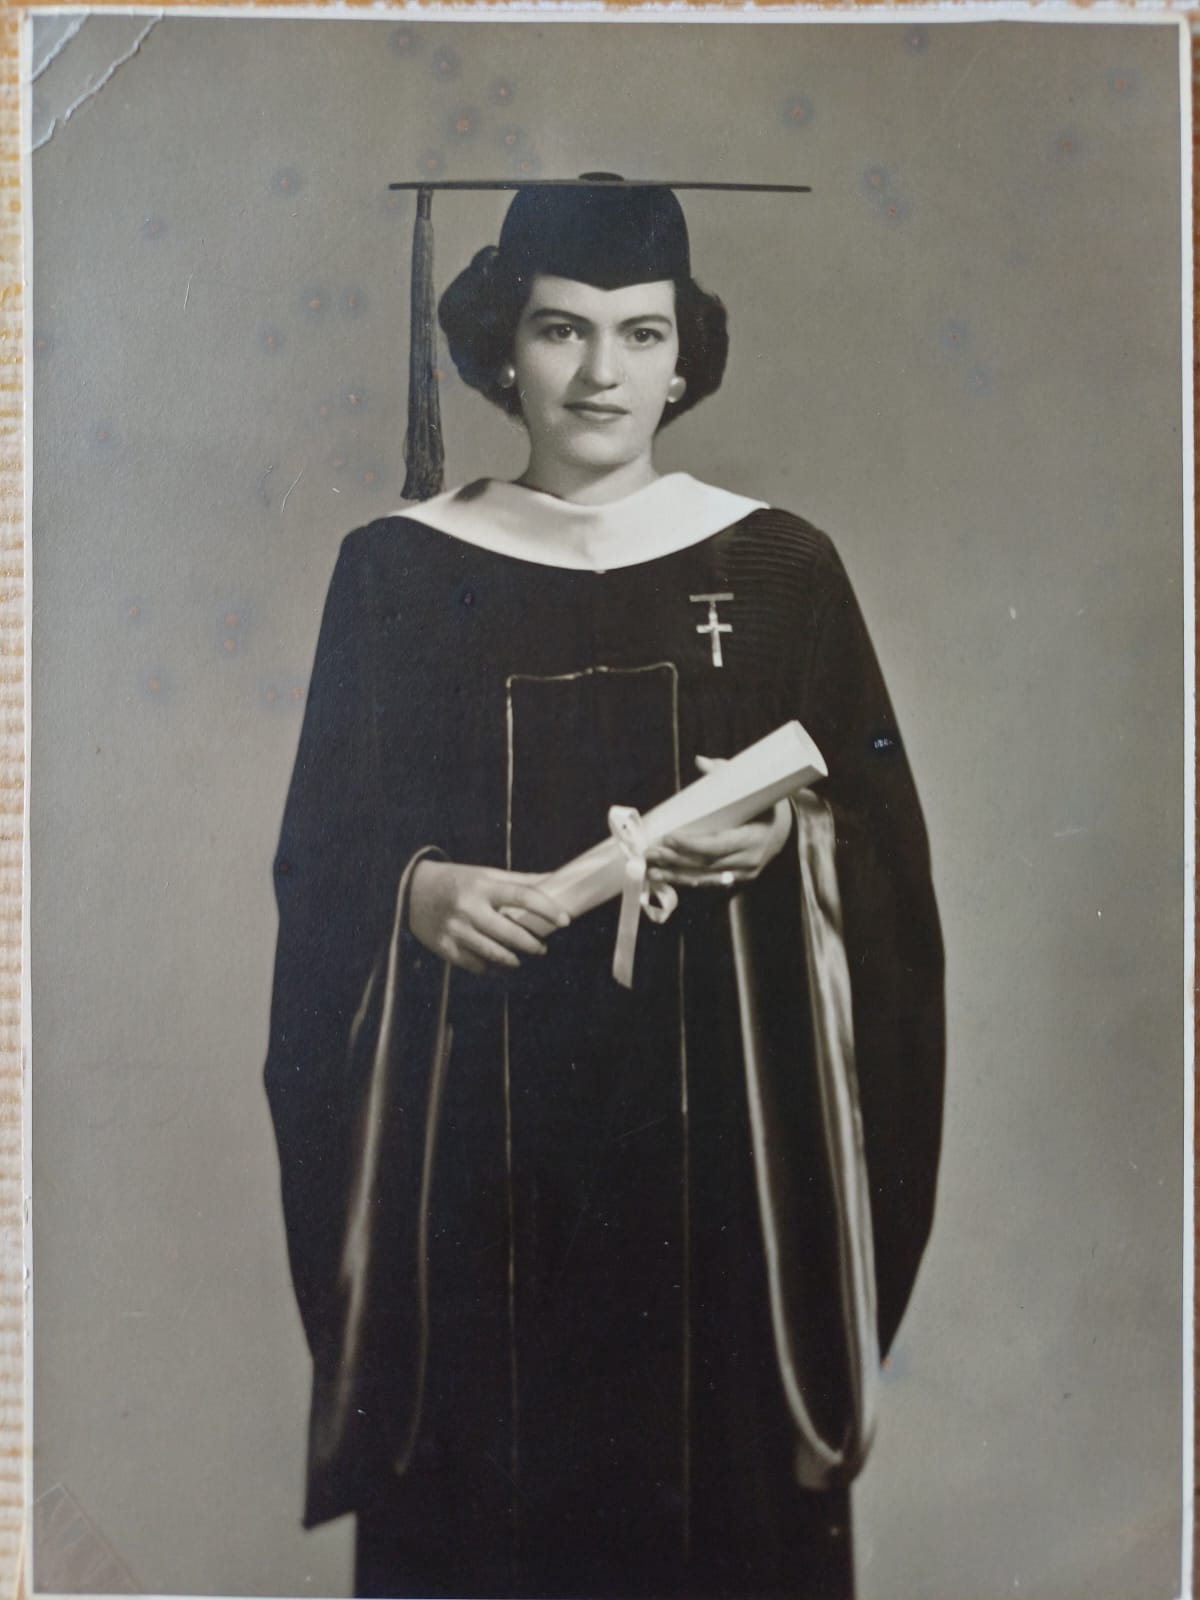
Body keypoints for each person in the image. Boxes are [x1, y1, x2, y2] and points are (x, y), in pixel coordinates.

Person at [264, 178, 944, 1600]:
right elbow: (323, 854)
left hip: (722, 1180)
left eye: (642, 335)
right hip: (473, 1177)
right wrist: (418, 892)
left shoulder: (779, 568)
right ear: (500, 348)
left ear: (685, 358)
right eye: (561, 330)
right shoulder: (398, 573)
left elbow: (883, 859)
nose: (600, 374)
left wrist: (788, 845)